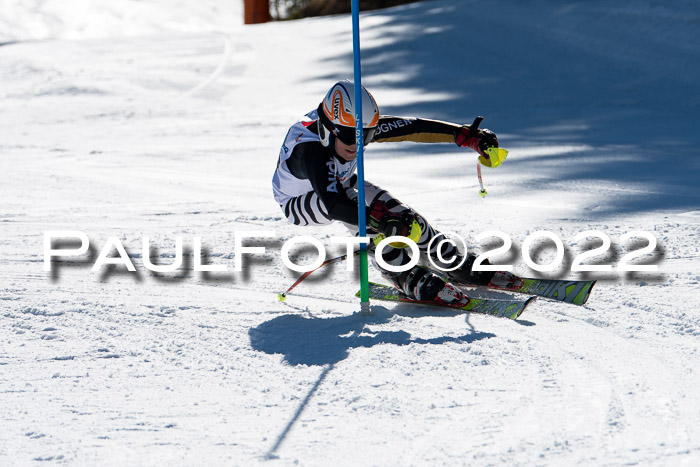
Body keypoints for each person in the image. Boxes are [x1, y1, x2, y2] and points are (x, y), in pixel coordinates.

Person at [272, 80, 504, 305]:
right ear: (327, 130)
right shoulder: (310, 151)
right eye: (350, 137)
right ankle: (399, 273)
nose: (357, 144)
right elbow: (333, 204)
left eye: (367, 136)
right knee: (373, 216)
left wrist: (465, 136)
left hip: (340, 184)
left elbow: (412, 128)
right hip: (299, 202)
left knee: (404, 216)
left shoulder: (352, 126)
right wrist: (380, 221)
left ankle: (447, 259)